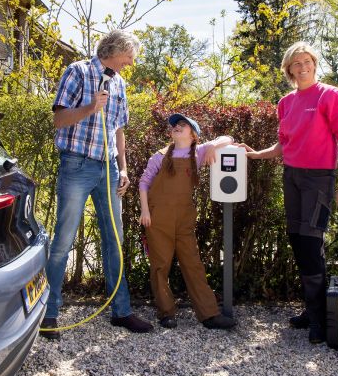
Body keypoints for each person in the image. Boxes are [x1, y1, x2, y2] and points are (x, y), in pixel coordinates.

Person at [41, 30, 153, 340]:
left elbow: (118, 130)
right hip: (77, 165)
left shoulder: (119, 83)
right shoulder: (77, 71)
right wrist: (90, 107)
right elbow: (59, 119)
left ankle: (122, 310)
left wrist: (123, 167)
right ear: (114, 50)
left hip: (108, 170)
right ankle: (49, 314)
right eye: (129, 57)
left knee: (114, 240)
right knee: (63, 241)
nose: (131, 63)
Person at [240, 41, 338, 344]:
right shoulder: (286, 102)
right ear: (289, 69)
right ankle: (311, 309)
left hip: (319, 179)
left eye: (307, 61)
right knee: (297, 240)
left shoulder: (330, 95)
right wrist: (255, 154)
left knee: (312, 244)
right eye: (296, 63)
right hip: (292, 176)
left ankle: (320, 320)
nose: (303, 67)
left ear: (314, 64)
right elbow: (283, 145)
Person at [139, 114, 237, 330]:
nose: (177, 127)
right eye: (175, 125)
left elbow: (229, 139)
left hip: (184, 218)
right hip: (158, 218)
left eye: (183, 125)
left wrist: (212, 146)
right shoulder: (159, 156)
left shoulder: (199, 153)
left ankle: (209, 314)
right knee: (160, 265)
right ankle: (166, 313)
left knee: (193, 264)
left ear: (193, 136)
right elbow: (144, 183)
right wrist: (145, 211)